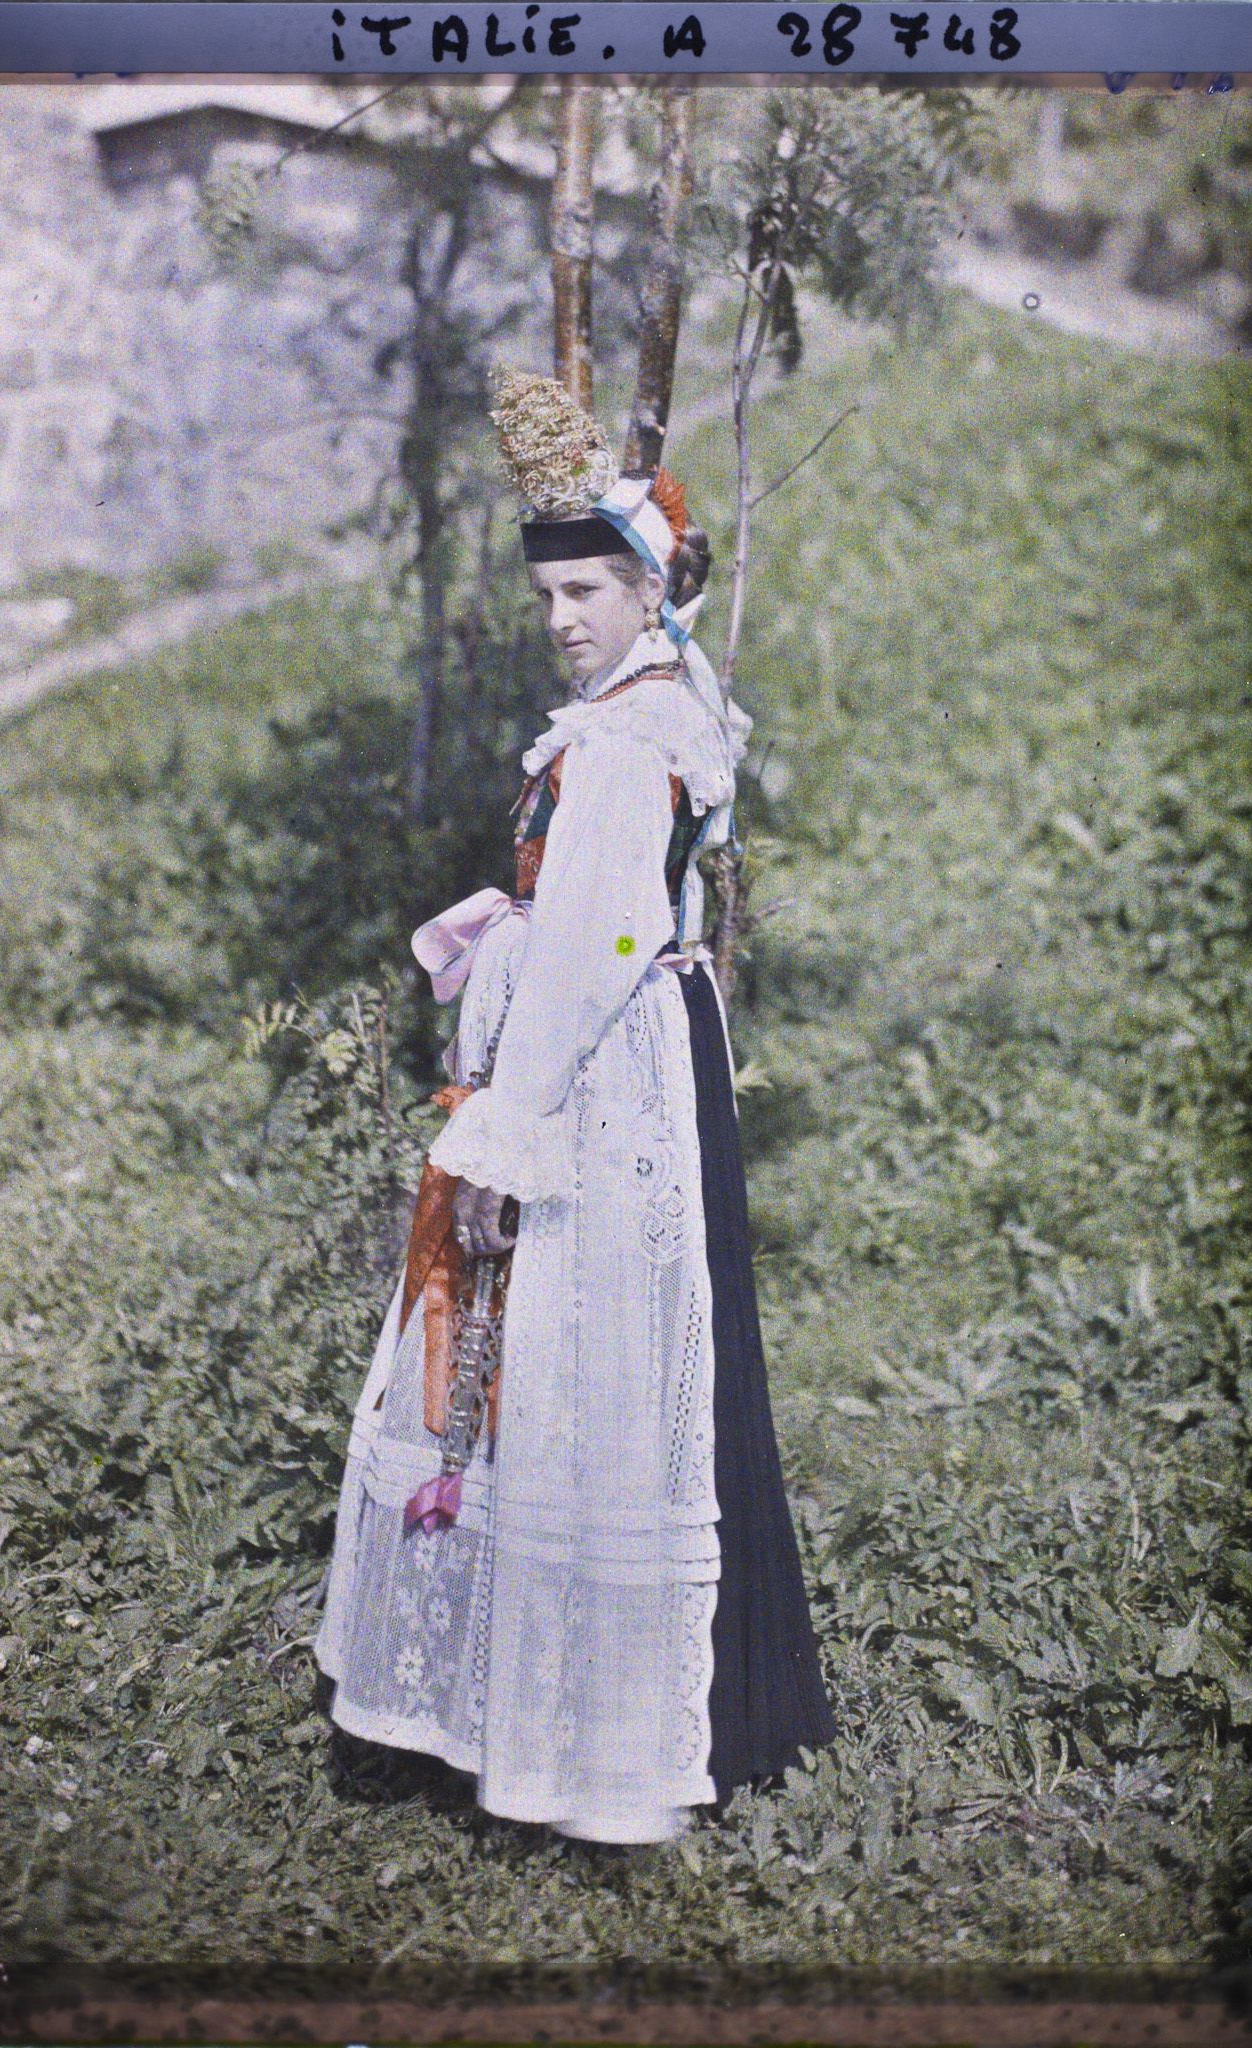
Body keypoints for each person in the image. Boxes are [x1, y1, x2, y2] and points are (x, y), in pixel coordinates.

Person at [314, 368, 836, 1845]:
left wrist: (502, 1134)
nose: (563, 617)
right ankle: (569, 1702)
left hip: (604, 1074)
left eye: (592, 590)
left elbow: (602, 942)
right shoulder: (644, 709)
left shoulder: (622, 742)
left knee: (585, 1353)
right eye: (549, 593)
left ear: (651, 592)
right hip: (632, 1051)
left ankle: (592, 1732)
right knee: (592, 1355)